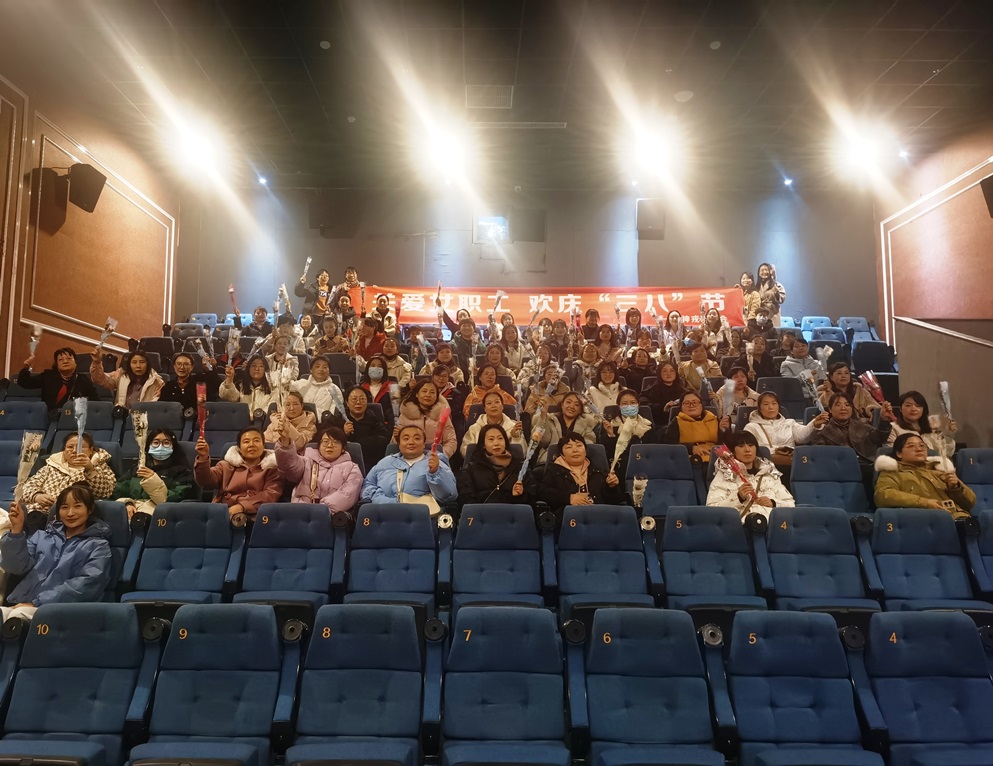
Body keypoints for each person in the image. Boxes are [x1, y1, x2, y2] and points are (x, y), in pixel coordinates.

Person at [1, 485, 112, 621]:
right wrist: (16, 530)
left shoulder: (98, 546)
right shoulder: (41, 536)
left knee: (18, 616)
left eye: (77, 506)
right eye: (64, 507)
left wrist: (38, 603)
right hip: (22, 604)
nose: (70, 513)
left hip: (62, 609)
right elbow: (15, 567)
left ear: (89, 509)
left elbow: (87, 584)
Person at [874, 433, 976, 520]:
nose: (919, 449)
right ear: (899, 453)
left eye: (922, 446)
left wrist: (956, 487)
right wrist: (925, 503)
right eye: (911, 446)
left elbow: (971, 503)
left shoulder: (938, 470)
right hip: (925, 521)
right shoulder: (893, 472)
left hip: (960, 519)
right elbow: (883, 496)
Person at [360, 425, 458, 514]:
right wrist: (380, 499)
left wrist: (435, 473)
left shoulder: (436, 462)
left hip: (421, 516)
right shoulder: (385, 463)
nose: (411, 442)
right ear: (399, 444)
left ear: (424, 444)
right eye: (406, 439)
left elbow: (449, 496)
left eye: (417, 438)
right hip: (382, 513)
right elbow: (368, 485)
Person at [193, 427, 284, 521]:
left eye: (256, 441)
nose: (251, 445)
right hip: (223, 512)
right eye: (246, 441)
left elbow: (270, 495)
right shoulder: (225, 466)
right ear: (239, 448)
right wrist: (203, 458)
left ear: (263, 445)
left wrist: (242, 506)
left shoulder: (272, 469)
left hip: (256, 516)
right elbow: (205, 481)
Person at [20, 433, 116, 520]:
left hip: (69, 516)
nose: (74, 451)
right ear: (64, 450)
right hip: (36, 511)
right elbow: (26, 487)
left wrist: (90, 470)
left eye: (81, 447)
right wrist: (36, 496)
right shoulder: (52, 465)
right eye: (70, 447)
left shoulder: (100, 466)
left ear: (91, 450)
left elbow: (104, 493)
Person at [274, 424, 363, 516]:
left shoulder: (352, 468)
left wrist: (321, 510)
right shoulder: (307, 461)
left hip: (330, 516)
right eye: (325, 441)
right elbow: (288, 466)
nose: (330, 445)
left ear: (343, 448)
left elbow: (348, 494)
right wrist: (285, 443)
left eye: (336, 442)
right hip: (300, 512)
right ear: (319, 446)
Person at [813, 394, 895, 490]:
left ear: (852, 409)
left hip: (869, 465)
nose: (843, 408)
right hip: (841, 470)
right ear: (830, 409)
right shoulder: (823, 432)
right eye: (838, 405)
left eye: (847, 405)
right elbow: (821, 458)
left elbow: (879, 438)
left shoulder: (862, 425)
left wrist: (884, 420)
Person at [706, 431, 794, 520]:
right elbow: (712, 509)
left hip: (771, 525)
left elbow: (791, 505)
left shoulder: (769, 474)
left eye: (751, 445)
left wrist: (774, 503)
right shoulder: (724, 476)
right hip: (741, 526)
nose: (747, 449)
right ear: (732, 451)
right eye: (741, 446)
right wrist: (738, 498)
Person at [113, 428, 196, 518]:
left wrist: (153, 480)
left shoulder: (182, 472)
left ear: (173, 447)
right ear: (149, 445)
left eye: (166, 443)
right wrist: (127, 503)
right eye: (156, 443)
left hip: (159, 515)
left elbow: (175, 498)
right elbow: (119, 489)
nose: (161, 446)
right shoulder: (139, 468)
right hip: (132, 510)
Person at [744, 391, 828, 478]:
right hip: (765, 465)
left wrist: (814, 424)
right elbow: (750, 448)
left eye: (774, 403)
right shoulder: (751, 427)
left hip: (790, 463)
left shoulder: (789, 423)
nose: (770, 407)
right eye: (766, 404)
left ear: (778, 406)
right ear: (759, 408)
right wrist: (776, 450)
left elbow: (802, 437)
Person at [538, 434, 622, 516]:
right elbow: (543, 493)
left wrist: (612, 487)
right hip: (569, 517)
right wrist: (569, 498)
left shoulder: (598, 471)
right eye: (569, 447)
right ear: (562, 455)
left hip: (599, 516)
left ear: (585, 451)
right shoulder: (554, 471)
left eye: (579, 445)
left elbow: (615, 501)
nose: (575, 450)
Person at [456, 424, 535, 508]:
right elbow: (466, 497)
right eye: (491, 439)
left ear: (505, 442)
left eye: (500, 438)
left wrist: (519, 496)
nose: (496, 443)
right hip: (481, 514)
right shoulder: (471, 468)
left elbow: (532, 496)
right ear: (483, 445)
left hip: (513, 513)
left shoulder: (520, 467)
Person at [886, 390, 957, 469]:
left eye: (918, 406)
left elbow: (946, 452)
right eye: (908, 405)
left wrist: (949, 433)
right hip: (909, 469)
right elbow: (891, 453)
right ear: (900, 409)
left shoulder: (931, 428)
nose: (913, 409)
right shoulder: (893, 428)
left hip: (936, 467)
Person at [328, 386, 391, 470]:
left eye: (362, 399)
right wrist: (343, 433)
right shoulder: (338, 421)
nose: (358, 402)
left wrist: (359, 444)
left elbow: (384, 439)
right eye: (354, 399)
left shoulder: (374, 419)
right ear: (347, 403)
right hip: (341, 465)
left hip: (370, 464)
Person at [17, 347, 97, 413]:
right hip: (49, 417)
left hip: (73, 418)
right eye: (60, 359)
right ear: (57, 364)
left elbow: (96, 402)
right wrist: (26, 367)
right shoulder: (48, 376)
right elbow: (24, 382)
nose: (65, 361)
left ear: (75, 363)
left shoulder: (83, 380)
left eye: (69, 358)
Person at [599, 388, 655, 480]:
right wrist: (611, 435)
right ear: (619, 406)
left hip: (643, 470)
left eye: (633, 403)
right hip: (617, 470)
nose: (629, 406)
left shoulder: (647, 426)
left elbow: (653, 451)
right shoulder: (611, 425)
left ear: (638, 405)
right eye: (624, 403)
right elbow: (605, 452)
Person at [394, 379, 457, 458]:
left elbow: (451, 441)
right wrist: (397, 438)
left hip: (435, 457)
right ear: (417, 394)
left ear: (437, 396)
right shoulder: (405, 415)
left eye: (432, 392)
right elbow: (394, 443)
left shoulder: (442, 416)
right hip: (409, 457)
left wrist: (441, 456)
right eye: (424, 391)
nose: (428, 395)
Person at [532, 391, 597, 465]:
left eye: (576, 404)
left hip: (575, 464)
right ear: (562, 405)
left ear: (580, 410)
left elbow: (589, 444)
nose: (572, 406)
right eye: (568, 402)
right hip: (549, 462)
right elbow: (541, 441)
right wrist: (543, 416)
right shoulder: (549, 420)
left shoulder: (585, 425)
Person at [662, 391, 727, 464]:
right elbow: (669, 444)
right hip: (688, 460)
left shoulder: (714, 419)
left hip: (715, 460)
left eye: (695, 402)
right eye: (687, 403)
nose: (691, 405)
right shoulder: (676, 421)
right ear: (681, 407)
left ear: (701, 406)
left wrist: (726, 430)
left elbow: (725, 444)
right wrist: (691, 448)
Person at [461, 390, 526, 458]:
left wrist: (515, 438)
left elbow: (522, 453)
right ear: (484, 408)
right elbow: (465, 451)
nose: (493, 406)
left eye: (497, 402)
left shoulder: (513, 426)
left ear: (502, 406)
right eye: (489, 403)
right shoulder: (474, 428)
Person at [90, 349, 164, 408]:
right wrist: (96, 362)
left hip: (144, 418)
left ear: (147, 364)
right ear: (129, 364)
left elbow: (154, 406)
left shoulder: (157, 381)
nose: (138, 366)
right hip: (121, 417)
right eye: (134, 362)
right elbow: (100, 379)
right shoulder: (121, 376)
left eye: (142, 362)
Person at [291, 355, 344, 419]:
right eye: (317, 366)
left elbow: (332, 415)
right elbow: (284, 388)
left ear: (329, 371)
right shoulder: (300, 384)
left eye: (325, 367)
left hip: (323, 423)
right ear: (311, 370)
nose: (321, 369)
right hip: (298, 421)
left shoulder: (335, 390)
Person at [359, 356, 396, 433]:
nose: (375, 368)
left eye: (379, 366)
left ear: (384, 370)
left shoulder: (393, 387)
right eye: (373, 365)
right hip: (364, 425)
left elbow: (395, 411)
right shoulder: (361, 388)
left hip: (386, 427)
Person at [756, 262, 786, 326]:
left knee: (773, 331)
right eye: (762, 270)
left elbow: (782, 298)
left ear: (770, 272)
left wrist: (776, 293)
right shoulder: (757, 287)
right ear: (759, 273)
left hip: (773, 314)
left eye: (766, 270)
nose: (764, 272)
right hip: (761, 316)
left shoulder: (776, 284)